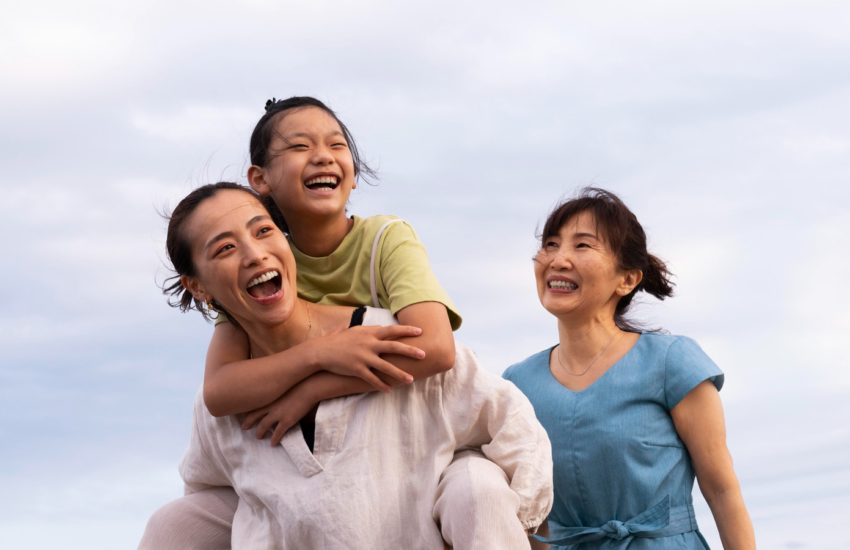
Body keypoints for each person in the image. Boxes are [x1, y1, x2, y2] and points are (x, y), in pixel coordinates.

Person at [140, 96, 543, 549]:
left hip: (415, 443)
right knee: (172, 523)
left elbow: (437, 349)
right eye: (225, 248)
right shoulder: (249, 304)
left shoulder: (383, 242)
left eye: (336, 143)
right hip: (301, 475)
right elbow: (218, 395)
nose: (254, 253)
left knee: (478, 488)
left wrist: (317, 384)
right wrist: (320, 353)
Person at [503, 188, 755, 549]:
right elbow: (528, 515)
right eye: (551, 244)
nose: (558, 259)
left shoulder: (672, 361)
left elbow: (721, 489)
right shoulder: (517, 384)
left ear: (628, 279)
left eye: (582, 245)